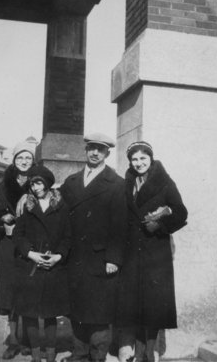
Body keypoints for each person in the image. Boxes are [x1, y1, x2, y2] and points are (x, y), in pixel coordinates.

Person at [116, 141, 188, 362]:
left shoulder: (165, 182)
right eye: (134, 159)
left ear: (151, 159)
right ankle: (134, 350)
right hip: (131, 252)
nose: (138, 163)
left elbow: (181, 213)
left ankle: (150, 351)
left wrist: (160, 226)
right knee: (133, 303)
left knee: (154, 304)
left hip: (155, 253)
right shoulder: (126, 183)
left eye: (143, 159)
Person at [60, 133, 127, 362]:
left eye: (100, 149)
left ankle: (97, 357)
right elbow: (60, 216)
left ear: (107, 152)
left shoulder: (117, 184)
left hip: (100, 259)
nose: (95, 152)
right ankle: (79, 356)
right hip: (75, 258)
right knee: (77, 310)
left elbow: (120, 226)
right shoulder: (71, 182)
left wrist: (114, 259)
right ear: (86, 150)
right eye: (91, 148)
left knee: (99, 313)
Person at [12, 165, 71, 362]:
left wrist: (58, 256)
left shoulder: (61, 207)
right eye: (32, 184)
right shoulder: (26, 207)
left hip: (53, 267)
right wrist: (31, 254)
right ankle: (36, 355)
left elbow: (68, 237)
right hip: (31, 267)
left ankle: (51, 354)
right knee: (29, 313)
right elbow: (18, 236)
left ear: (47, 183)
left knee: (50, 313)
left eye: (38, 183)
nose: (35, 187)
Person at [0, 141, 35, 359]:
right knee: (10, 290)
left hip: (31, 242)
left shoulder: (38, 180)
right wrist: (2, 220)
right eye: (20, 158)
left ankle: (27, 341)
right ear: (14, 161)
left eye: (28, 158)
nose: (24, 161)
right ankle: (13, 341)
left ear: (33, 161)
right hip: (8, 243)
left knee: (28, 289)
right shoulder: (5, 184)